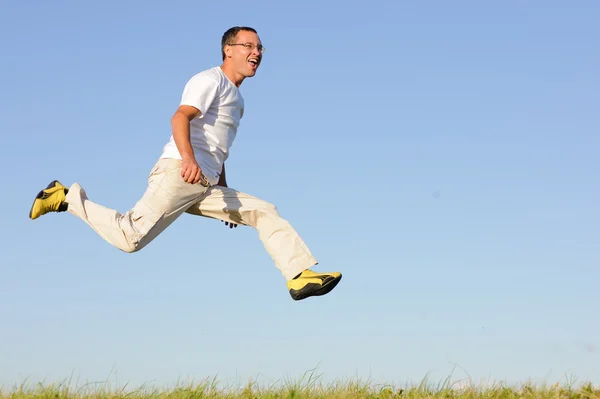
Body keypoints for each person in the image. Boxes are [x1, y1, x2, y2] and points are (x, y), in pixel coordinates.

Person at [28, 26, 341, 301]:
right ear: (228, 50)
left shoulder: (238, 99)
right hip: (181, 173)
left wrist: (224, 189)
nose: (256, 52)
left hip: (205, 184)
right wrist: (188, 160)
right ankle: (65, 197)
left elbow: (217, 148)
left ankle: (299, 276)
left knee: (263, 210)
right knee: (130, 238)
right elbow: (180, 117)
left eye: (260, 48)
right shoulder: (210, 80)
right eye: (248, 46)